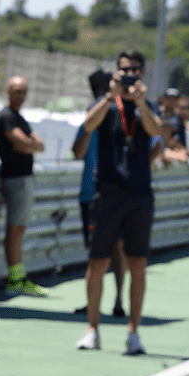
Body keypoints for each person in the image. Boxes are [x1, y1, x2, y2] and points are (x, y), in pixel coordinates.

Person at [74, 50, 162, 354]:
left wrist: (138, 102)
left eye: (135, 71)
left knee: (137, 262)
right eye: (124, 71)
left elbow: (155, 132)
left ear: (143, 74)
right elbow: (87, 125)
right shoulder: (106, 105)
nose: (129, 76)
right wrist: (111, 97)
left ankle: (133, 332)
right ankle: (92, 329)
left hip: (139, 194)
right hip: (108, 192)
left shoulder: (146, 106)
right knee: (97, 262)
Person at [71, 84, 126, 320]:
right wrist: (88, 129)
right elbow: (78, 152)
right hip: (90, 193)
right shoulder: (90, 122)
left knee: (118, 248)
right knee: (95, 252)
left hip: (116, 192)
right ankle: (91, 301)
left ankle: (118, 299)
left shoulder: (120, 122)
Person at [0, 75, 47, 296]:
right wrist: (29, 145)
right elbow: (24, 144)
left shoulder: (19, 118)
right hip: (15, 178)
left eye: (23, 91)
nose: (20, 95)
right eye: (16, 91)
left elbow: (39, 145)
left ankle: (19, 274)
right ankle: (15, 277)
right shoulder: (6, 117)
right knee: (15, 228)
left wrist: (30, 145)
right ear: (7, 90)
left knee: (19, 227)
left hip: (23, 177)